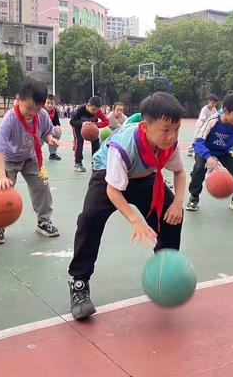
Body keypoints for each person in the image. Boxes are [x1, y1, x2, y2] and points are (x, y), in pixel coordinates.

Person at [68, 92, 186, 320]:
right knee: (89, 219)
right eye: (165, 130)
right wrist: (135, 220)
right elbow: (113, 190)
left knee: (171, 213)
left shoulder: (169, 144)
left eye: (176, 129)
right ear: (146, 126)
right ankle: (79, 283)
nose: (171, 136)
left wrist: (178, 204)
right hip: (107, 175)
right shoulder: (123, 145)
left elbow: (180, 172)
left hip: (144, 176)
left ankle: (164, 272)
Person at [0, 78, 60, 244]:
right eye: (28, 108)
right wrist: (1, 175)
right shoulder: (10, 119)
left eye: (37, 108)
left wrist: (50, 139)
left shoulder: (42, 115)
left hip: (31, 157)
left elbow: (46, 132)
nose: (32, 112)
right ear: (18, 99)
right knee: (2, 191)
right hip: (9, 159)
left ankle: (44, 221)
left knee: (42, 186)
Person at [186, 92, 233, 213]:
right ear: (226, 111)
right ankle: (194, 197)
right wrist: (208, 156)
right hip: (205, 149)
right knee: (199, 168)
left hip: (223, 152)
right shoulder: (213, 120)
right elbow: (199, 141)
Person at [70, 96, 109, 172]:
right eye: (93, 109)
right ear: (88, 105)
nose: (95, 112)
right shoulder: (80, 109)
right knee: (79, 141)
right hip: (78, 127)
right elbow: (72, 122)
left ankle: (95, 163)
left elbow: (106, 122)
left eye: (97, 110)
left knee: (96, 141)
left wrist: (94, 124)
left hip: (91, 128)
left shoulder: (98, 111)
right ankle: (78, 163)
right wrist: (83, 123)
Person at [44, 94, 62, 161]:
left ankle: (52, 154)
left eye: (52, 103)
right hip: (38, 130)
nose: (49, 105)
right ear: (44, 103)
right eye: (48, 103)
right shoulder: (40, 110)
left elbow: (57, 124)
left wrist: (57, 127)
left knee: (57, 132)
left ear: (55, 104)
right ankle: (33, 154)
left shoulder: (54, 112)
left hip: (48, 131)